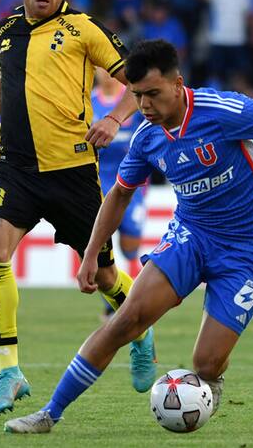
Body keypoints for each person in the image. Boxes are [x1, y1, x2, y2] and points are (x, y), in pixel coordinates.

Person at [3, 39, 253, 433]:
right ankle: (50, 414)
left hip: (249, 247)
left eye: (153, 94)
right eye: (137, 96)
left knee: (204, 363)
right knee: (126, 319)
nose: (145, 105)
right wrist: (89, 255)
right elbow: (119, 194)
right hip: (192, 234)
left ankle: (213, 378)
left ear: (177, 84)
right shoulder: (146, 138)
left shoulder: (222, 111)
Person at [0, 0, 155, 418]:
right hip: (17, 169)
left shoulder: (83, 28)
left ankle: (141, 328)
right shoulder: (5, 31)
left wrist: (114, 119)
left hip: (72, 173)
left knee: (105, 276)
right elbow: (8, 83)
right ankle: (9, 372)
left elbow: (138, 78)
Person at [90, 67, 147, 320]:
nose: (107, 74)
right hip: (98, 181)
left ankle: (132, 291)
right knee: (103, 240)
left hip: (132, 180)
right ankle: (111, 302)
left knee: (130, 245)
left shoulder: (132, 98)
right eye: (100, 68)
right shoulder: (88, 101)